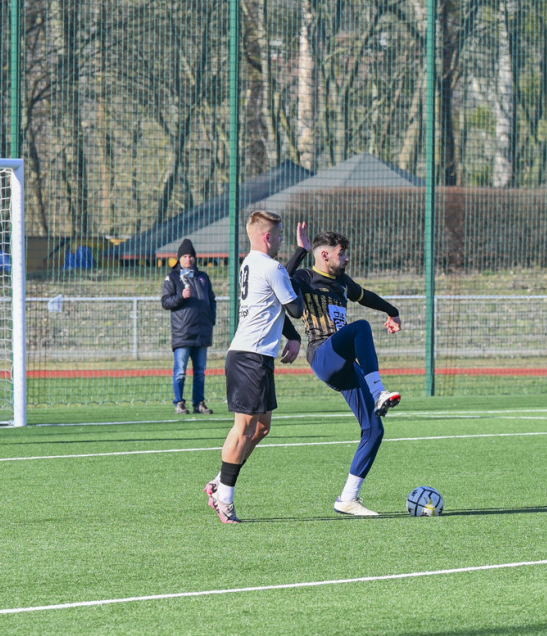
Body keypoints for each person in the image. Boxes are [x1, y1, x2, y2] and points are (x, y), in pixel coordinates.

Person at [286, 224, 401, 516]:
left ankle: (348, 498)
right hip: (322, 354)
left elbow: (367, 296)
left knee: (374, 430)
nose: (346, 258)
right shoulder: (304, 277)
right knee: (360, 327)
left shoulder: (343, 282)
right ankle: (378, 390)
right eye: (341, 253)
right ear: (325, 255)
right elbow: (281, 282)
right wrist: (300, 250)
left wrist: (392, 311)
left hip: (344, 362)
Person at [204, 210, 304, 524]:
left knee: (261, 428)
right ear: (267, 237)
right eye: (279, 234)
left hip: (254, 356)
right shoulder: (272, 267)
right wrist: (303, 272)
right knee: (244, 427)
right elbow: (296, 308)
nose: (282, 239)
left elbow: (276, 302)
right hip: (250, 357)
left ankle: (220, 483)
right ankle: (225, 500)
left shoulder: (251, 262)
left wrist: (292, 337)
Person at [161, 239, 217, 415]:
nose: (188, 259)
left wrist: (210, 320)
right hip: (183, 333)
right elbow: (165, 302)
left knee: (200, 372)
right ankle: (179, 403)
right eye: (185, 256)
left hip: (202, 332)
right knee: (180, 371)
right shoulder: (172, 278)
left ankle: (199, 403)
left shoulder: (203, 278)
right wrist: (181, 296)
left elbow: (212, 300)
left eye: (191, 256)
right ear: (179, 259)